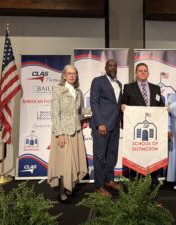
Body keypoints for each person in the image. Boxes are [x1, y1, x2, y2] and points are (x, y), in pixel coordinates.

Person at [48, 65, 87, 203]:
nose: (72, 75)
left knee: (73, 161)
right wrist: (59, 134)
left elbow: (81, 112)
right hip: (63, 132)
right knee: (64, 162)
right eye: (69, 73)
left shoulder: (78, 92)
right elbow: (54, 113)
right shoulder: (58, 90)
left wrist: (96, 110)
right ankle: (62, 190)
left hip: (75, 132)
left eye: (74, 73)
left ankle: (70, 186)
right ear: (64, 75)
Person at [121, 62, 164, 184]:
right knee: (137, 153)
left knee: (152, 153)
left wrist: (164, 111)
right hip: (136, 129)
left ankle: (153, 179)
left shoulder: (156, 88)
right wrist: (123, 107)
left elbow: (159, 106)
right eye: (140, 71)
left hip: (152, 128)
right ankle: (135, 180)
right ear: (136, 73)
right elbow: (123, 105)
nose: (143, 73)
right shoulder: (128, 87)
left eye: (145, 71)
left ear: (148, 73)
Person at [90, 59, 122, 197]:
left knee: (112, 155)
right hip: (102, 125)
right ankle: (99, 186)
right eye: (110, 65)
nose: (112, 67)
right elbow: (94, 102)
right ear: (105, 67)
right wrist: (100, 123)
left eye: (114, 66)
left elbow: (117, 104)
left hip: (115, 125)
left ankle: (109, 180)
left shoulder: (119, 83)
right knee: (99, 156)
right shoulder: (98, 81)